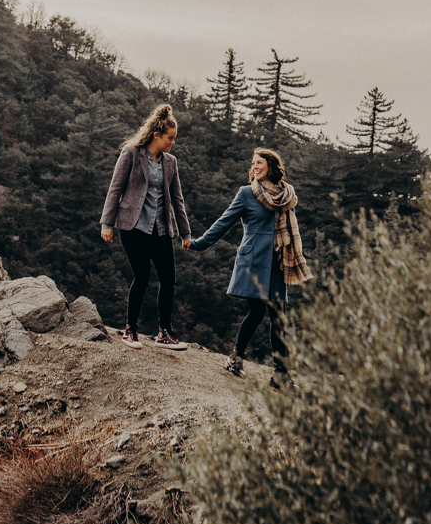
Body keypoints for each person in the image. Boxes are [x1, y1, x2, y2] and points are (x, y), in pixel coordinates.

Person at [186, 146, 307, 383]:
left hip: (277, 262)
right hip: (252, 261)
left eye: (259, 163)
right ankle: (236, 359)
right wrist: (200, 243)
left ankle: (281, 373)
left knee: (279, 315)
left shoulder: (286, 195)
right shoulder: (246, 193)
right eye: (252, 163)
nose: (254, 167)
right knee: (258, 310)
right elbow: (224, 222)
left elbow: (289, 231)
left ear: (271, 166)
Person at [99, 103, 193, 349]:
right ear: (156, 136)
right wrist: (107, 223)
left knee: (168, 279)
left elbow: (177, 199)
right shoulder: (131, 153)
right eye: (169, 138)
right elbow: (115, 189)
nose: (172, 143)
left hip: (161, 229)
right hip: (133, 227)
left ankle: (164, 333)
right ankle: (130, 330)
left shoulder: (170, 162)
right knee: (142, 276)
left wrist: (186, 233)